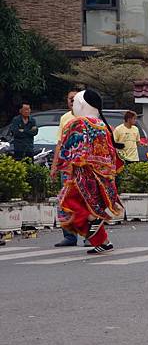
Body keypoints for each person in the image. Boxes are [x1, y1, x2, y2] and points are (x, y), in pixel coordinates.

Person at [55, 89, 123, 254]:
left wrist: (59, 165)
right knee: (89, 206)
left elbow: (68, 148)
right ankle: (104, 242)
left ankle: (95, 221)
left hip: (82, 173)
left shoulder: (78, 123)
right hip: (102, 174)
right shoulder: (103, 125)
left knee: (70, 203)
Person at [51, 90, 83, 247]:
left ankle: (92, 236)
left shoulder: (89, 117)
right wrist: (54, 165)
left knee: (87, 201)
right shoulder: (64, 118)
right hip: (67, 168)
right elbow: (59, 143)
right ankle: (69, 236)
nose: (72, 100)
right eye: (70, 98)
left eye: (75, 98)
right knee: (66, 201)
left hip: (85, 167)